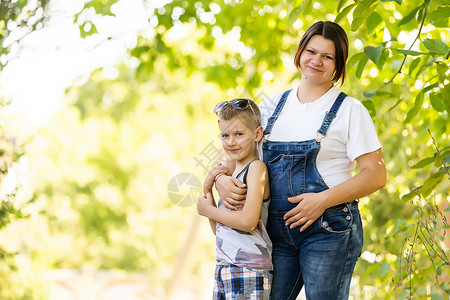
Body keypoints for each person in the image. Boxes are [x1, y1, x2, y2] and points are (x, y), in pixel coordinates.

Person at [205, 21, 386, 300]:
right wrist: (222, 178)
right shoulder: (270, 107)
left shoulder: (350, 110)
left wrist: (322, 200)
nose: (316, 61)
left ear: (338, 65)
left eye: (328, 56)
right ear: (300, 52)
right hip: (276, 233)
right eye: (311, 51)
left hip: (329, 229)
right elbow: (238, 151)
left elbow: (375, 174)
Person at [197, 98, 272, 300]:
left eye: (239, 134)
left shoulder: (256, 169)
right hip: (224, 265)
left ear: (257, 134)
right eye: (225, 135)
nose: (231, 142)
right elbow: (221, 231)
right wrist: (208, 189)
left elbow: (247, 222)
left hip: (249, 268)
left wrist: (208, 210)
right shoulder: (230, 172)